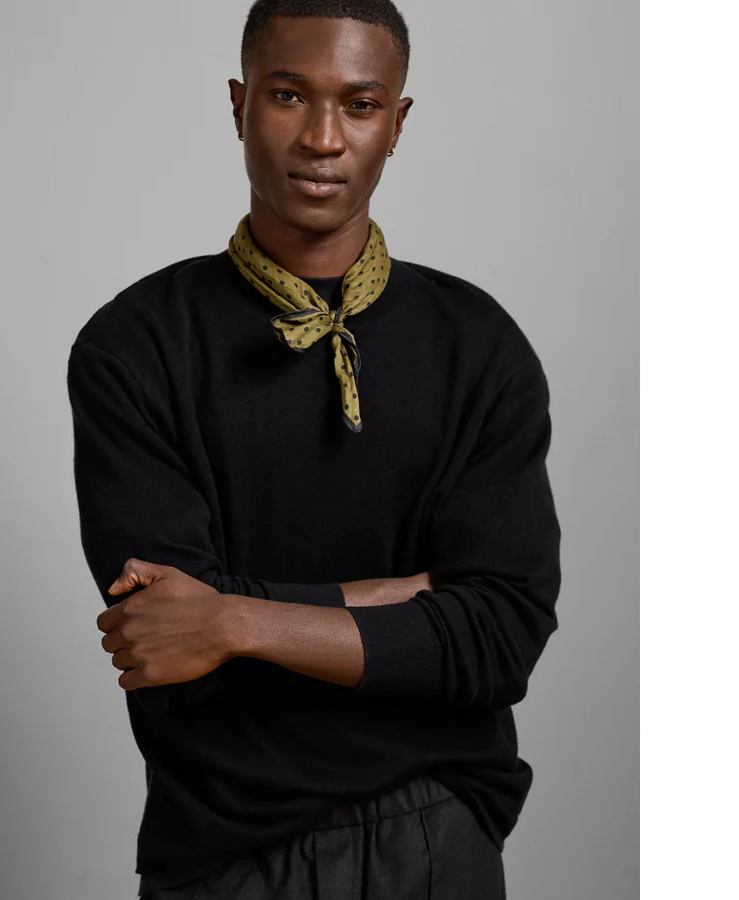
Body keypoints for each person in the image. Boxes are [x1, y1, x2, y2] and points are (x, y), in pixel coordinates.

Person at [66, 1, 561, 897]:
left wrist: (234, 621)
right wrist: (402, 599)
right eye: (289, 95)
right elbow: (161, 644)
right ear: (239, 105)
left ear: (397, 123)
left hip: (438, 831)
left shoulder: (477, 344)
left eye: (360, 105)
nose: (323, 139)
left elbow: (498, 641)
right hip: (223, 851)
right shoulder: (136, 343)